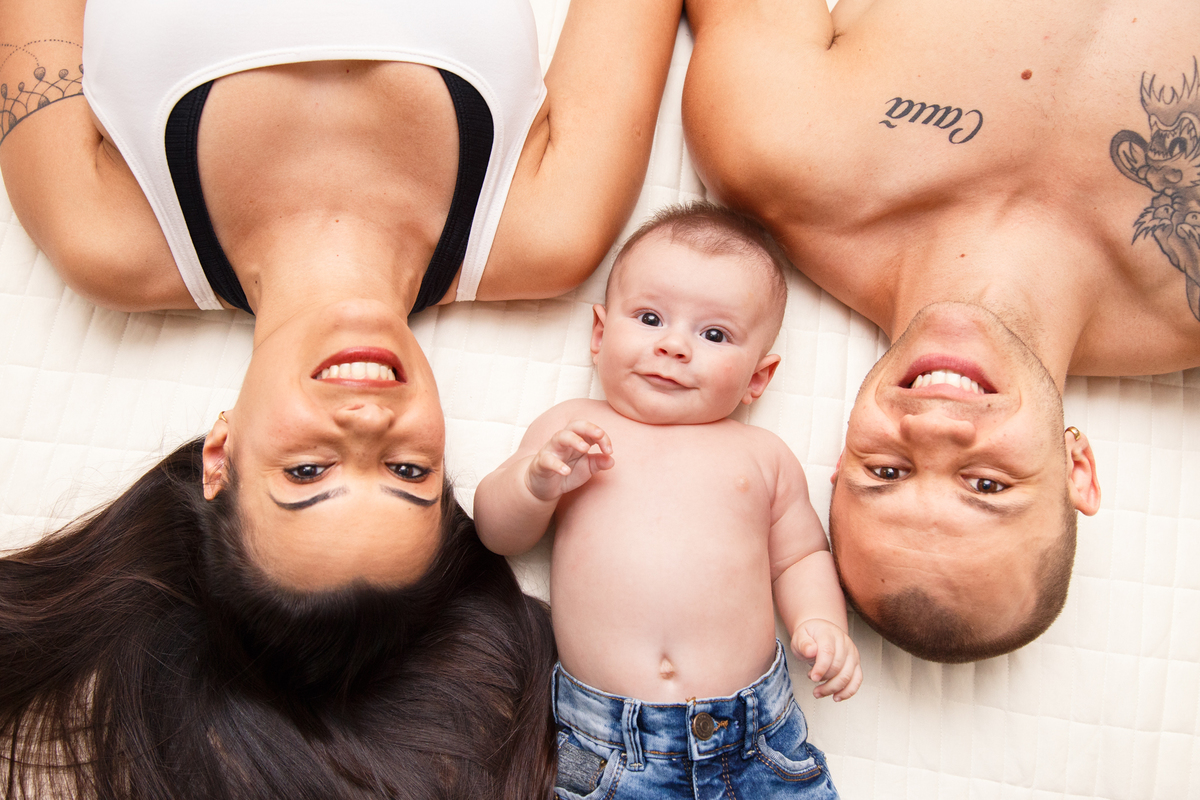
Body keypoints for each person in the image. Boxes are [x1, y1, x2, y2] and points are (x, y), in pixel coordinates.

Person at [0, 0, 683, 795]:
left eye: (306, 474)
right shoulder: (546, 230)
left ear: (220, 456)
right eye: (408, 474)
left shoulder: (105, 238)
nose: (365, 424)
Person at [674, 0, 1200, 661]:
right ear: (1078, 468)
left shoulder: (772, 150)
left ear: (843, 461)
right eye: (987, 484)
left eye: (888, 471)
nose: (935, 425)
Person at [474, 204, 862, 799]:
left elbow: (800, 557)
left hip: (753, 741)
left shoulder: (763, 455)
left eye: (714, 335)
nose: (675, 346)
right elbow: (498, 535)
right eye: (650, 318)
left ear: (759, 378)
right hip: (601, 750)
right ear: (600, 334)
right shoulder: (570, 428)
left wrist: (820, 622)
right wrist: (534, 484)